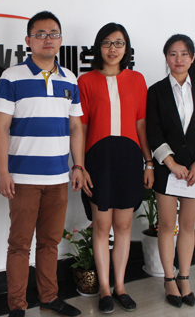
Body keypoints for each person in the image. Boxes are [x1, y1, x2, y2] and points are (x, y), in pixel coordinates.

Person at [0, 11, 84, 317]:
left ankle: (49, 297)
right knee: (20, 245)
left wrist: (78, 166)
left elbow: (75, 127)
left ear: (61, 39)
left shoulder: (69, 78)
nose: (48, 39)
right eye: (41, 34)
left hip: (58, 177)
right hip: (22, 178)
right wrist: (3, 172)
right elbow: (1, 128)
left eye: (53, 34)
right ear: (28, 40)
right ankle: (17, 306)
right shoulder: (12, 77)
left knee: (49, 243)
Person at [77, 23, 154, 313]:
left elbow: (141, 124)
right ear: (99, 47)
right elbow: (81, 128)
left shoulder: (137, 79)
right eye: (107, 43)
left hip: (129, 158)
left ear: (126, 48)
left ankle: (120, 287)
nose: (113, 49)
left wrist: (148, 162)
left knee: (123, 226)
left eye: (119, 43)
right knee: (101, 226)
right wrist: (80, 165)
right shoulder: (85, 81)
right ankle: (105, 290)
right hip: (98, 160)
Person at [146, 34, 195, 308]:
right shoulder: (156, 91)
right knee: (167, 225)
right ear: (166, 57)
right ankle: (169, 279)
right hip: (168, 169)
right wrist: (171, 163)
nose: (179, 59)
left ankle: (184, 277)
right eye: (173, 54)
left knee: (187, 225)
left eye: (184, 54)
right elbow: (153, 131)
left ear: (192, 57)